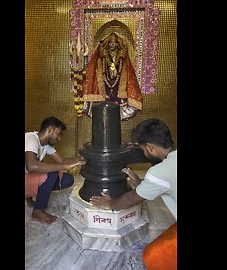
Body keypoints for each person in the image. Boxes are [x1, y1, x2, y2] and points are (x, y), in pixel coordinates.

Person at [90, 118, 177, 270]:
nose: (143, 153)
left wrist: (110, 203)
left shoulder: (159, 171)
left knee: (152, 256)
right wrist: (142, 185)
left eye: (143, 150)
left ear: (149, 147)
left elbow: (131, 198)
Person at [25, 116, 86, 224]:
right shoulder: (30, 138)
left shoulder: (46, 145)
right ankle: (38, 212)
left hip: (28, 178)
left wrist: (79, 160)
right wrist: (63, 167)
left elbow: (61, 160)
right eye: (58, 133)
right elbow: (32, 166)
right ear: (50, 130)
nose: (59, 138)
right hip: (27, 177)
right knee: (52, 172)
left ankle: (30, 199)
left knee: (67, 179)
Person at [82, 32, 143, 120]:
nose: (112, 45)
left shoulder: (123, 60)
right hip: (103, 93)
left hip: (118, 94)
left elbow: (130, 77)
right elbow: (92, 75)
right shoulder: (100, 60)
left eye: (114, 43)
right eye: (110, 43)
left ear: (118, 45)